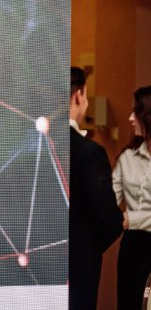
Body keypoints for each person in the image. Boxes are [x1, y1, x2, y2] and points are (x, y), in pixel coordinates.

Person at [68, 67, 123, 310]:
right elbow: (108, 220)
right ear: (79, 95)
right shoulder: (90, 153)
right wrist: (86, 246)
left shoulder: (29, 147)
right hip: (78, 269)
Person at [113, 85, 151, 310]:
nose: (130, 118)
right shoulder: (127, 158)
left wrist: (131, 218)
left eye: (135, 112)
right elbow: (108, 201)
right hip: (132, 248)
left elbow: (126, 218)